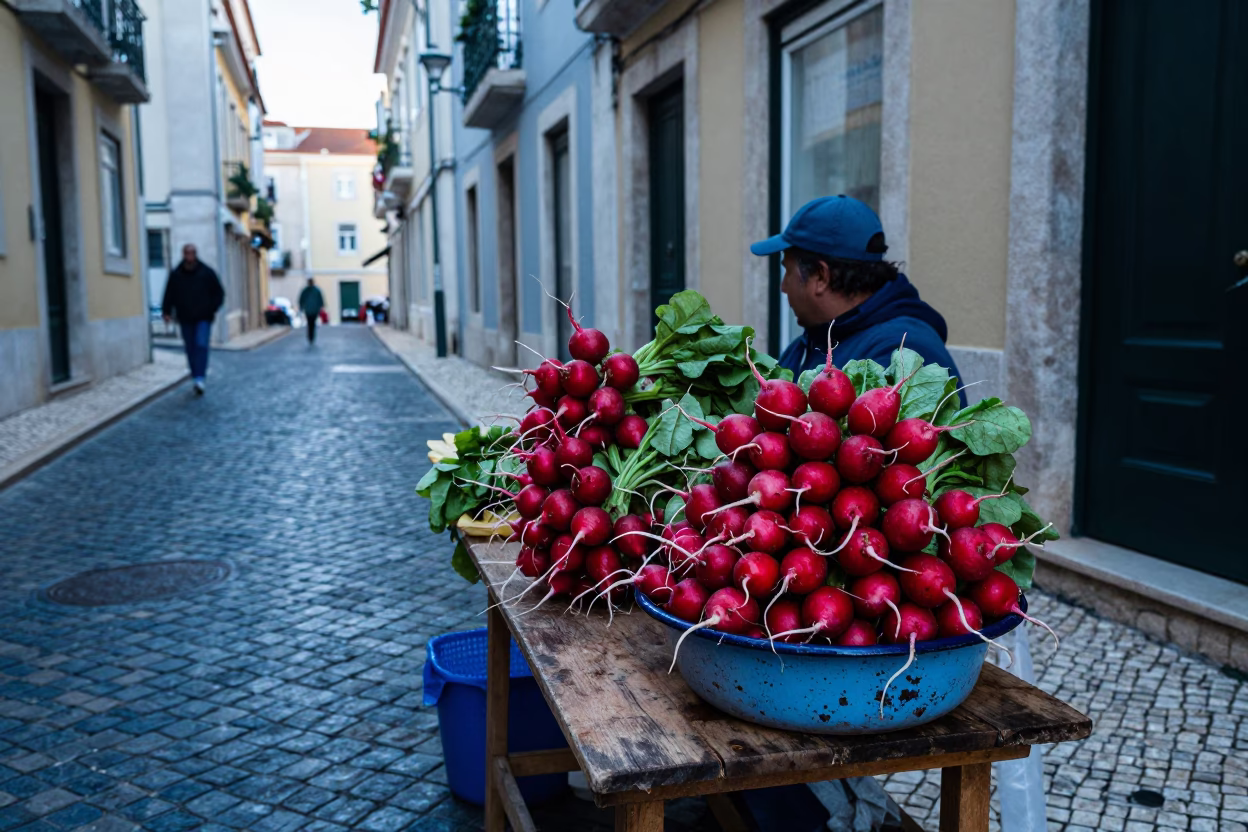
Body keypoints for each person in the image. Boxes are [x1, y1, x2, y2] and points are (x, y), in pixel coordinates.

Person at [750, 195, 963, 386]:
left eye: (787, 272)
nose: (783, 287)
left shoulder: (902, 355)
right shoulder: (810, 342)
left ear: (821, 277)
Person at [162, 243, 224, 396]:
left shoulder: (207, 272)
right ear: (184, 254)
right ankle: (195, 375)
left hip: (203, 317)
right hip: (185, 317)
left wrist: (212, 308)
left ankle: (200, 378)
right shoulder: (176, 274)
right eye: (187, 253)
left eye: (192, 253)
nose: (190, 256)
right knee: (190, 348)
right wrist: (166, 311)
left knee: (201, 344)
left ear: (195, 254)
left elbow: (219, 293)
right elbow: (169, 294)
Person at [299, 278, 325, 344]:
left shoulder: (309, 290)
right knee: (311, 323)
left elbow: (301, 299)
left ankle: (311, 336)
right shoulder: (314, 290)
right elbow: (302, 299)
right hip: (311, 310)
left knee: (311, 323)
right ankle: (311, 336)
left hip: (312, 310)